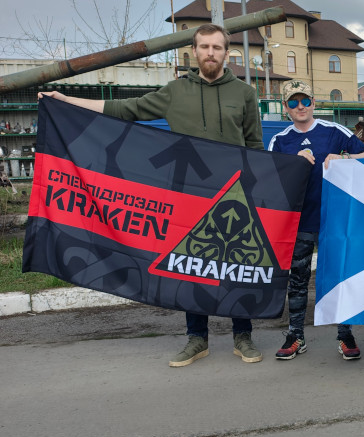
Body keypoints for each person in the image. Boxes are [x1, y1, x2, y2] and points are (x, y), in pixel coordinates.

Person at [39, 24, 265, 367]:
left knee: (234, 263)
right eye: (204, 46)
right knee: (189, 266)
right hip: (186, 195)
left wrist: (257, 189)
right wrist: (66, 100)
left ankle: (242, 335)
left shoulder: (245, 94)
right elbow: (126, 110)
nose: (210, 53)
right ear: (194, 50)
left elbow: (255, 147)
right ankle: (196, 338)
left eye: (217, 47)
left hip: (231, 196)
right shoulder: (175, 91)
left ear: (227, 53)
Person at [268, 80, 364, 360]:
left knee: (339, 278)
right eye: (293, 102)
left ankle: (345, 334)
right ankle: (295, 335)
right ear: (285, 108)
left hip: (335, 220)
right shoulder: (279, 140)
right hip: (299, 222)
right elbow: (268, 178)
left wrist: (345, 157)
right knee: (298, 280)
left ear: (314, 103)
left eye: (305, 101)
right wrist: (293, 163)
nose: (300, 106)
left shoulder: (333, 131)